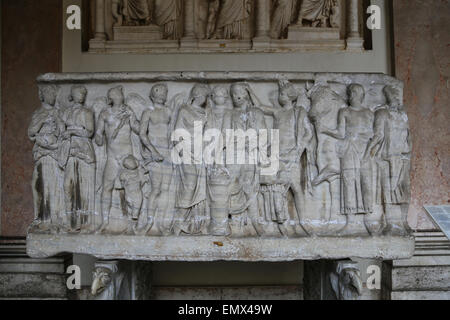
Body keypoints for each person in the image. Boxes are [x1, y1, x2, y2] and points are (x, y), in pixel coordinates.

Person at [322, 84, 374, 235]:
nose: (350, 96)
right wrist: (324, 128)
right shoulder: (344, 111)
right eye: (349, 93)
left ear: (359, 95)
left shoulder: (369, 113)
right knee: (349, 183)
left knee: (366, 184)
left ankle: (368, 221)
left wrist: (370, 151)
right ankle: (350, 223)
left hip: (365, 150)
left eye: (352, 93)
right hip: (349, 149)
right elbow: (340, 133)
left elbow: (373, 134)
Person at [367, 85, 411, 235]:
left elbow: (408, 136)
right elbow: (378, 135)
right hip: (389, 157)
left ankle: (401, 223)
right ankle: (392, 223)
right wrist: (368, 151)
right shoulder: (382, 112)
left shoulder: (401, 114)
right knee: (390, 190)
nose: (397, 97)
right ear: (387, 96)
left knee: (400, 190)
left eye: (397, 93)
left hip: (401, 156)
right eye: (393, 94)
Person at [95, 86, 140, 232]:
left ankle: (133, 223)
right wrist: (99, 138)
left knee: (132, 189)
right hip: (112, 157)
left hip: (127, 156)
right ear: (112, 97)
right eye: (118, 93)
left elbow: (137, 129)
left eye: (121, 93)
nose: (121, 95)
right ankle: (105, 221)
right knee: (107, 187)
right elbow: (98, 135)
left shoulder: (127, 111)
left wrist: (132, 117)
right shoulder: (105, 113)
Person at [172, 83, 211, 235]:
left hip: (200, 153)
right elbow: (176, 133)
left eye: (206, 97)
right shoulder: (184, 110)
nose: (205, 99)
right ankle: (178, 221)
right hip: (186, 152)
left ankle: (198, 222)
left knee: (201, 188)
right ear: (196, 95)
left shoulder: (205, 112)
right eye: (203, 96)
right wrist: (183, 152)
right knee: (189, 185)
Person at [137, 83, 175, 235]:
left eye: (164, 92)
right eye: (159, 92)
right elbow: (142, 134)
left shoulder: (168, 111)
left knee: (165, 189)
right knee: (155, 189)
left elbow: (172, 132)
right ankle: (149, 221)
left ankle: (161, 223)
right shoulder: (148, 112)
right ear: (153, 95)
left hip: (167, 154)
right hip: (155, 154)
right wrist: (153, 152)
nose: (162, 95)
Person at [59, 85, 96, 232]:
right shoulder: (66, 112)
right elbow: (62, 131)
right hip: (69, 153)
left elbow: (89, 132)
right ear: (72, 95)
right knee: (68, 187)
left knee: (84, 189)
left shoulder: (87, 112)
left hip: (84, 153)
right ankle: (70, 221)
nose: (82, 95)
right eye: (79, 92)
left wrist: (72, 130)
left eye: (83, 93)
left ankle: (85, 222)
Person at [28, 85, 64, 231]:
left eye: (54, 93)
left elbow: (62, 132)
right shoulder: (38, 113)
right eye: (49, 93)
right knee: (38, 185)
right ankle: (40, 218)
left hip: (53, 153)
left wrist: (56, 119)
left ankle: (52, 220)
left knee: (52, 185)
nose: (52, 96)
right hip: (41, 153)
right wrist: (43, 120)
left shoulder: (58, 112)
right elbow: (31, 132)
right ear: (42, 95)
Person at [119, 155, 144, 221]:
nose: (132, 164)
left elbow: (143, 180)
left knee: (137, 207)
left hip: (138, 193)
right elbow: (121, 180)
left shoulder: (139, 172)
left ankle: (135, 216)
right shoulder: (125, 173)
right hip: (129, 194)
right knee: (130, 205)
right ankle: (132, 216)